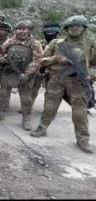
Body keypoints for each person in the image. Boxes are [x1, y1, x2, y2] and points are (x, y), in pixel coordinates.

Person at [30, 16, 95, 154]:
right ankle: (42, 127)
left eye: (78, 26)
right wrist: (57, 58)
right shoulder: (56, 43)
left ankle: (82, 139)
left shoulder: (90, 44)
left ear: (84, 28)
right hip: (57, 80)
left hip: (78, 82)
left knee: (80, 112)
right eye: (71, 27)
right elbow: (42, 60)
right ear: (66, 29)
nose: (75, 28)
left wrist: (91, 74)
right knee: (49, 106)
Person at [0, 20, 43, 129]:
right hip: (8, 72)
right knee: (3, 95)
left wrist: (27, 74)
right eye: (18, 29)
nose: (21, 31)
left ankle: (26, 119)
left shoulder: (34, 43)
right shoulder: (10, 41)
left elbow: (37, 60)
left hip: (25, 73)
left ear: (29, 30)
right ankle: (0, 114)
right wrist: (1, 58)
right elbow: (0, 51)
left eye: (24, 29)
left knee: (26, 99)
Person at [31, 22, 61, 106]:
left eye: (52, 32)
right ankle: (27, 106)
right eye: (48, 32)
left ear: (57, 33)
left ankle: (48, 109)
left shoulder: (61, 44)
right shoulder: (38, 43)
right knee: (33, 88)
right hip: (38, 69)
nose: (50, 34)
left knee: (51, 92)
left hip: (53, 71)